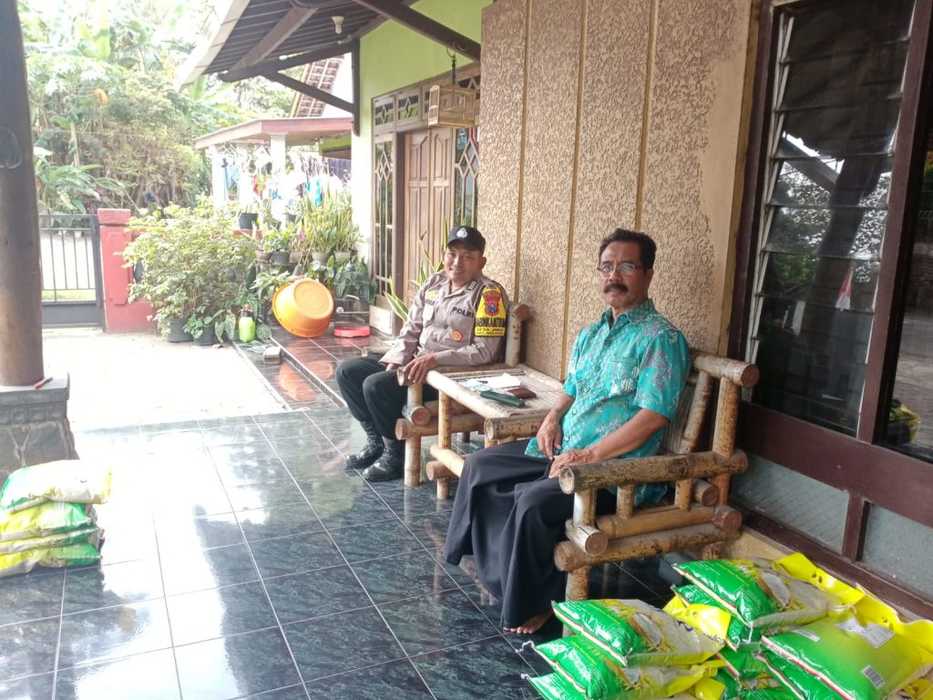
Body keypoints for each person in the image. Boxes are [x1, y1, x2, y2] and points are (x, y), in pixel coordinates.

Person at [443, 228, 690, 634]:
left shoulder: (661, 339)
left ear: (647, 274)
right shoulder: (592, 333)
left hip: (615, 471)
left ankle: (535, 603)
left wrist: (590, 456)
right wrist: (552, 417)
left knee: (534, 502)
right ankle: (493, 572)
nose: (614, 276)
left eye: (627, 267)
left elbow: (653, 417)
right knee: (481, 466)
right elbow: (571, 389)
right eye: (606, 267)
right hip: (566, 448)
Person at [336, 226, 510, 482]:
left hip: (448, 379)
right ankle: (377, 443)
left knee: (376, 386)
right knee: (348, 372)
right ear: (444, 255)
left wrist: (434, 360)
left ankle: (395, 456)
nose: (457, 262)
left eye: (468, 256)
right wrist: (395, 359)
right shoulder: (433, 283)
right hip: (417, 366)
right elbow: (412, 328)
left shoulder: (488, 294)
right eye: (452, 254)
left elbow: (485, 351)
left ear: (481, 262)